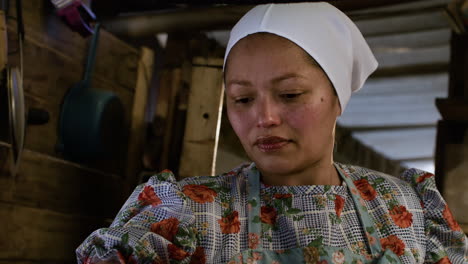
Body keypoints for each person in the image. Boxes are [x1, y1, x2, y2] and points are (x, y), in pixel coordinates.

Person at [76, 3, 468, 264]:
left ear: (337, 98)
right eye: (243, 99)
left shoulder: (408, 210)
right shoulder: (189, 212)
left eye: (290, 94)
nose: (264, 117)